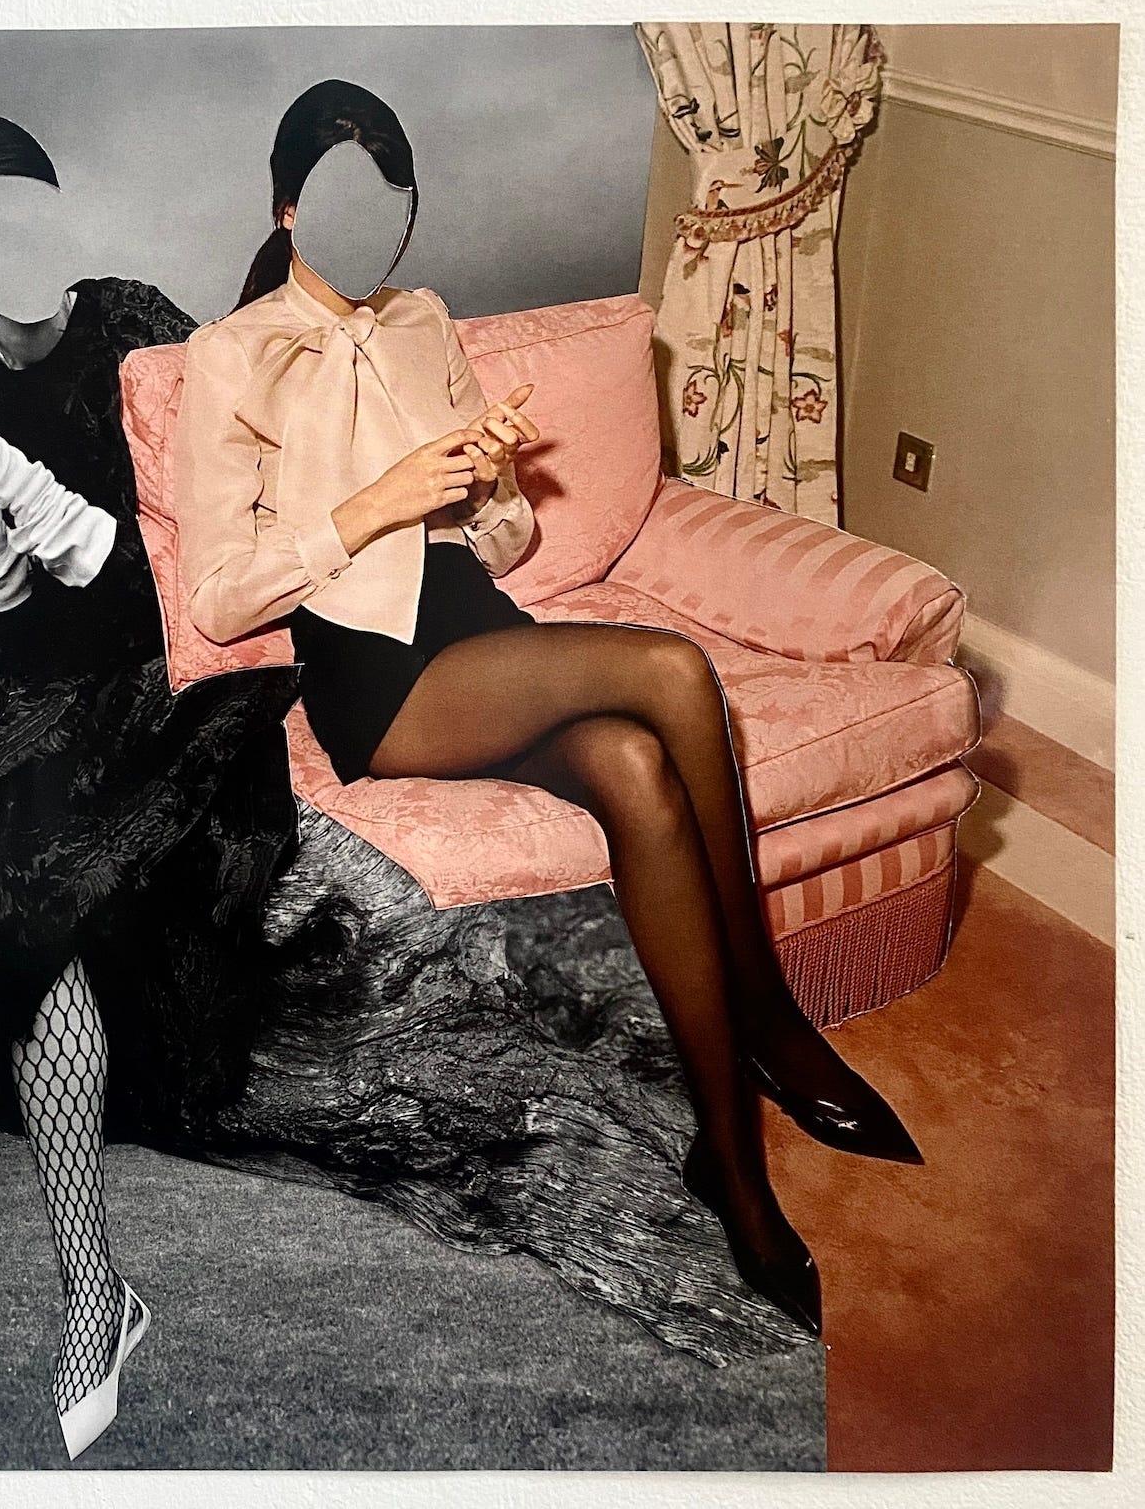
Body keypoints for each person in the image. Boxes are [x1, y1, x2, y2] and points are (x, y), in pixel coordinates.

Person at [173, 79, 925, 1339]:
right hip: (374, 670)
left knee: (635, 763)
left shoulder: (423, 319)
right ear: (289, 208)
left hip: (480, 629)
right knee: (671, 671)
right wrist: (375, 501)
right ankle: (770, 1025)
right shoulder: (232, 354)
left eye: (393, 203)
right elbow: (216, 599)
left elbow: (507, 543)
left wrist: (488, 488)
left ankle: (721, 1148)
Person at [0, 114, 300, 1460]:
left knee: (9, 846)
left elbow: (180, 571)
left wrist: (4, 479)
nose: (27, 251)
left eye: (40, 210)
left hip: (194, 684)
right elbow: (8, 642)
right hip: (63, 720)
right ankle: (95, 1291)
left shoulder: (134, 325)